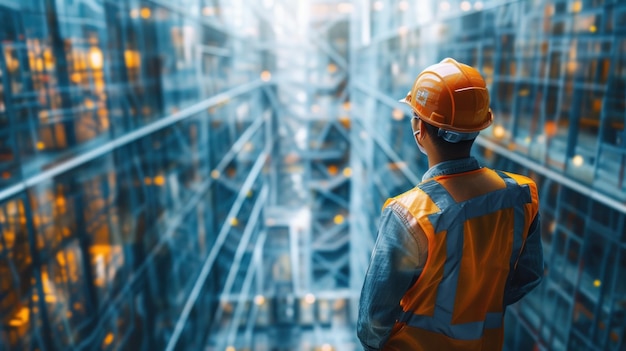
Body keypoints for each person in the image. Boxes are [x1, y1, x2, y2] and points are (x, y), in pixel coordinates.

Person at [357, 58, 544, 351]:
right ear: (479, 127)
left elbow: (372, 322)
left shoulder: (409, 215)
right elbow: (528, 276)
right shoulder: (522, 195)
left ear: (419, 129)